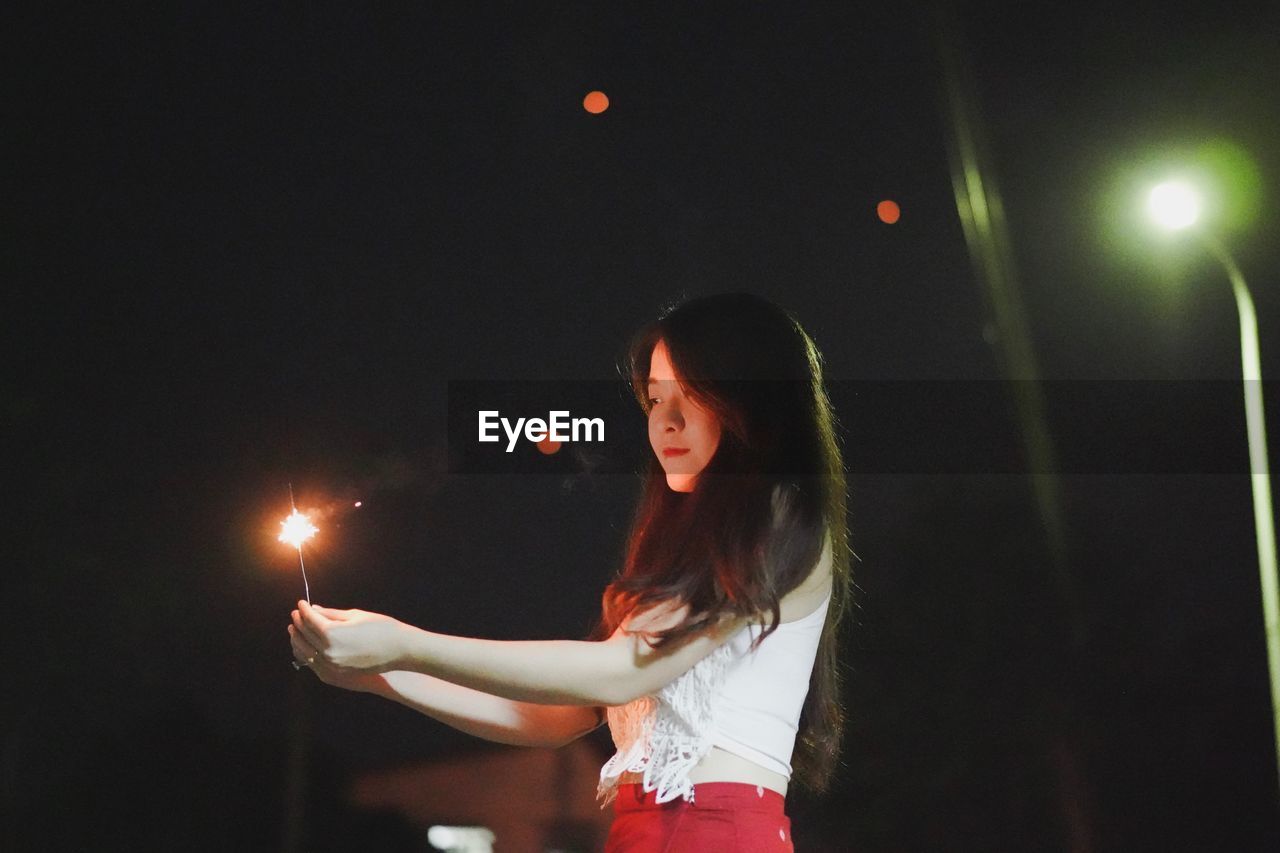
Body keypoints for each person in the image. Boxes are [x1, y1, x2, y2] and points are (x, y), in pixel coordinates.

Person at [288, 292, 852, 851]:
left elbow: (621, 671)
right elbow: (555, 718)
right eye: (655, 401)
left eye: (694, 397)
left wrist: (405, 644)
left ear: (753, 406)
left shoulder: (780, 515)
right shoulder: (687, 543)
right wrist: (384, 674)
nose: (667, 422)